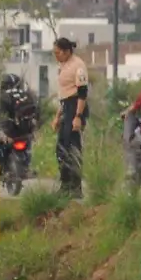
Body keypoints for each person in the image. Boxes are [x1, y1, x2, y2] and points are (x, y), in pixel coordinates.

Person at [51, 38, 90, 198]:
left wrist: (78, 117)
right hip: (67, 106)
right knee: (61, 149)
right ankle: (65, 185)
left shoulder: (78, 66)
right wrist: (57, 116)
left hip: (76, 107)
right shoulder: (63, 65)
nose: (56, 56)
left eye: (58, 53)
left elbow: (82, 93)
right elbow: (64, 93)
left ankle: (75, 187)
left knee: (72, 148)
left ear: (67, 51)